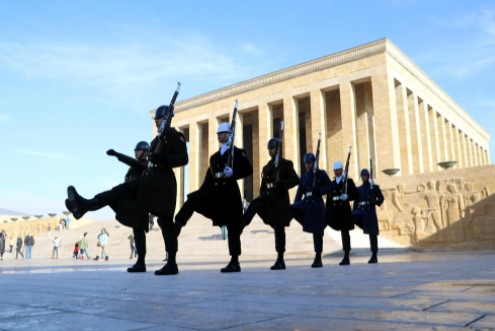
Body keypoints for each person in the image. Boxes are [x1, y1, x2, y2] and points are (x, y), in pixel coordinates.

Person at [65, 105, 188, 275]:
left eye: (158, 119)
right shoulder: (155, 141)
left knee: (166, 222)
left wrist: (163, 159)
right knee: (121, 192)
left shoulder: (175, 136)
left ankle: (172, 263)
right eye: (156, 119)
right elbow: (146, 163)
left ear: (167, 118)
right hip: (149, 182)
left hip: (164, 185)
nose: (156, 121)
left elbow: (183, 159)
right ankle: (85, 205)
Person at [175, 122, 253, 273]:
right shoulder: (214, 157)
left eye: (221, 133)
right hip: (215, 192)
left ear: (229, 134)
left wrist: (234, 173)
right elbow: (208, 179)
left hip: (230, 193)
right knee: (193, 198)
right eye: (218, 133)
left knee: (233, 227)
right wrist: (201, 194)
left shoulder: (238, 153)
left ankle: (234, 261)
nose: (219, 135)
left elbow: (248, 169)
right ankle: (178, 223)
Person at [244, 138, 299, 270]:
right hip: (269, 200)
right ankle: (243, 221)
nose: (270, 151)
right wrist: (264, 195)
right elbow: (263, 187)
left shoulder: (285, 164)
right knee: (255, 203)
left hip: (280, 202)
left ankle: (280, 259)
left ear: (278, 149)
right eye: (269, 149)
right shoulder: (267, 166)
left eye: (272, 149)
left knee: (279, 229)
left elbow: (295, 179)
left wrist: (282, 184)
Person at [106, 140, 150, 272]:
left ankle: (141, 262)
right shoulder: (135, 167)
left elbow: (132, 162)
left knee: (139, 232)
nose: (136, 152)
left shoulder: (144, 164)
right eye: (135, 150)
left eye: (138, 150)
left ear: (145, 152)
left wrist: (118, 155)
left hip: (140, 204)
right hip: (133, 202)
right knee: (137, 232)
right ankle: (140, 262)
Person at [291, 153, 333, 268]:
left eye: (309, 163)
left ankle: (318, 257)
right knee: (291, 208)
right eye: (306, 163)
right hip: (306, 203)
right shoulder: (304, 177)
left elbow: (330, 188)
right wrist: (295, 206)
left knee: (317, 233)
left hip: (317, 204)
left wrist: (319, 190)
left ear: (314, 162)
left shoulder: (321, 174)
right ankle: (306, 222)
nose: (307, 165)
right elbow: (299, 194)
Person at [326, 160, 358, 266]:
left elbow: (355, 194)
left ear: (342, 170)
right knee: (340, 232)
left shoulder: (348, 182)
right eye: (335, 170)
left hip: (344, 211)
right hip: (335, 212)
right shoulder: (332, 184)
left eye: (339, 170)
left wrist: (348, 197)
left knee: (345, 233)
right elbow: (329, 199)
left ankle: (346, 255)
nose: (337, 172)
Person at [353, 168, 385, 263]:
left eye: (365, 176)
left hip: (370, 212)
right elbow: (355, 201)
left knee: (373, 234)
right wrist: (354, 211)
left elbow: (381, 198)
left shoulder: (374, 187)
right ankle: (364, 227)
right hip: (361, 211)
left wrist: (375, 201)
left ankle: (374, 255)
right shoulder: (358, 189)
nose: (363, 177)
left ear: (368, 176)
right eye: (362, 176)